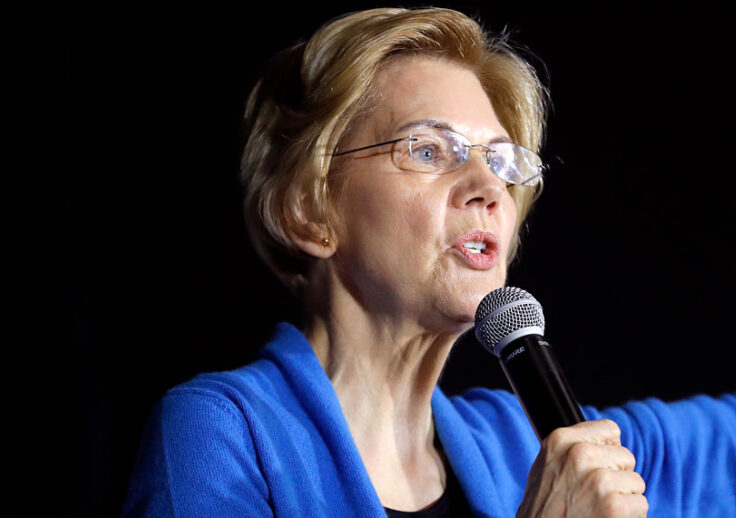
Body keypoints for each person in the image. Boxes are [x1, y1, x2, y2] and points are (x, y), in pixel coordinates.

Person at [122, 7, 736, 517]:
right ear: (308, 211)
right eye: (428, 148)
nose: (488, 188)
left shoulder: (522, 441)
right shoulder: (223, 435)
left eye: (500, 162)